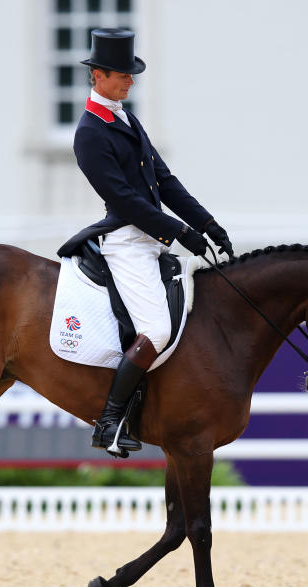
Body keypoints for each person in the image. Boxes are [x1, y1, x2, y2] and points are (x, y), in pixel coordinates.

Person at [57, 28, 234, 456]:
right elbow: (124, 199)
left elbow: (165, 182)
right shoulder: (90, 133)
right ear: (97, 76)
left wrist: (208, 224)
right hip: (125, 240)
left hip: (151, 239)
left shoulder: (126, 119)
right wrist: (181, 233)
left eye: (131, 75)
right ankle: (110, 421)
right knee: (155, 328)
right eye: (120, 75)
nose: (129, 82)